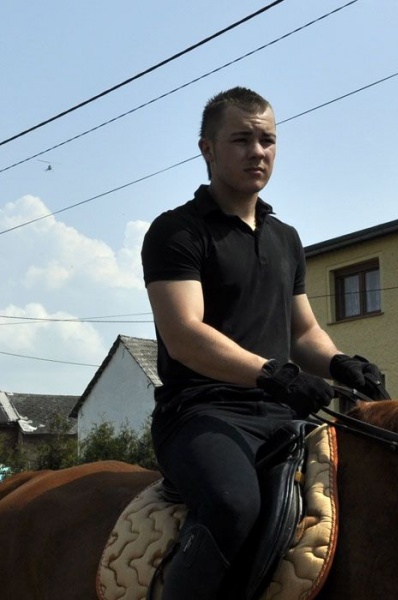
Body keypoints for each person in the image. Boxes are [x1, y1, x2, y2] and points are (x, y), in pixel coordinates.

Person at [141, 86, 384, 599]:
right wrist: (272, 373)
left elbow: (302, 333)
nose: (258, 151)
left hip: (282, 415)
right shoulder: (176, 232)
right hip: (201, 414)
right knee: (233, 505)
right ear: (207, 149)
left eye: (268, 140)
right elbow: (185, 335)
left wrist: (341, 365)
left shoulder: (285, 237)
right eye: (242, 139)